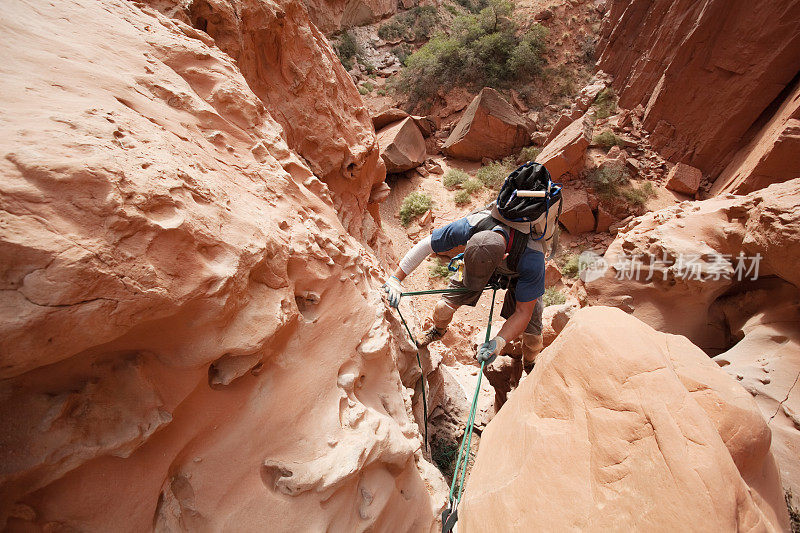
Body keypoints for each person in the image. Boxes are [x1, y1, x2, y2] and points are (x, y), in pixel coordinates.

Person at [384, 203, 546, 372]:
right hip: (479, 263)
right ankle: (438, 331)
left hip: (520, 275)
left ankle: (529, 362)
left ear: (504, 257)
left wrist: (498, 342)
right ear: (469, 243)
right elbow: (427, 244)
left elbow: (523, 313)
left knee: (533, 339)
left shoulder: (532, 258)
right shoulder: (472, 225)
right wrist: (395, 279)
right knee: (442, 309)